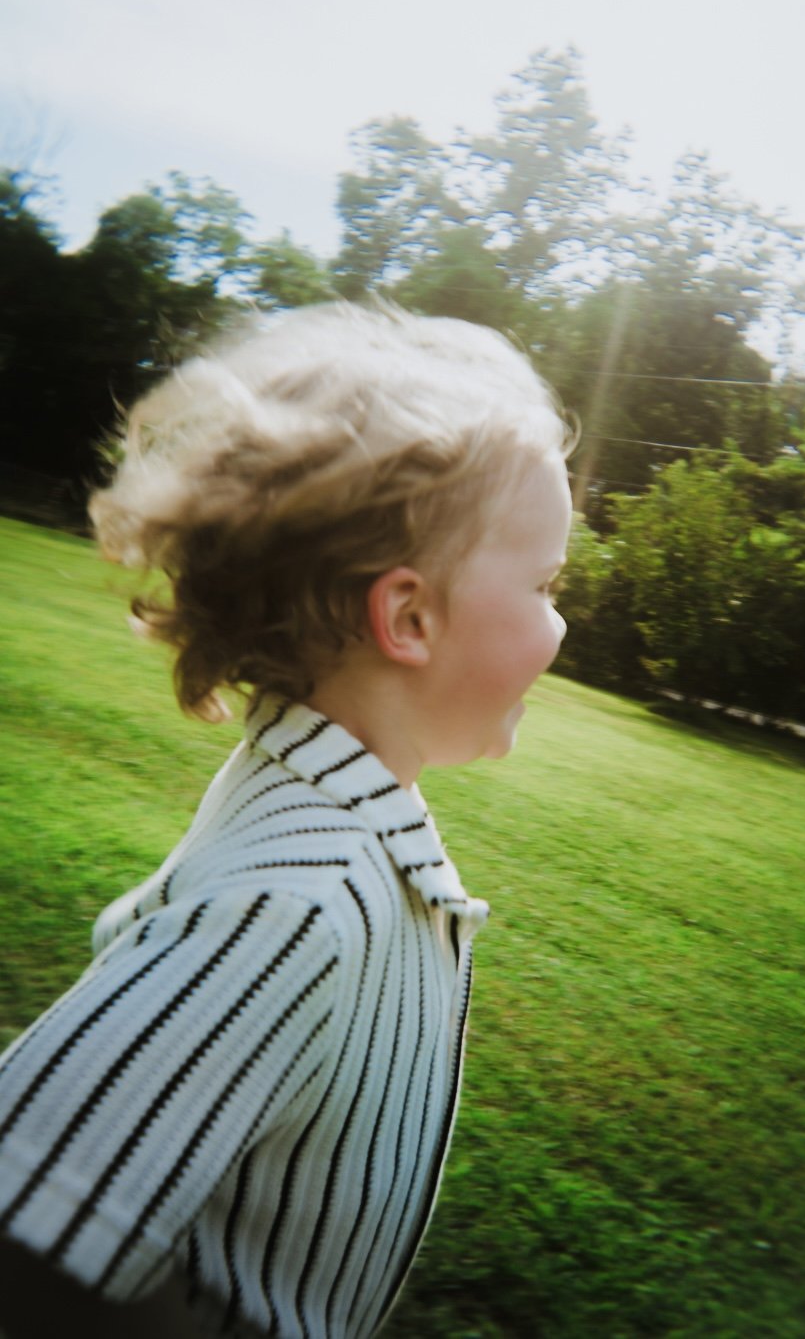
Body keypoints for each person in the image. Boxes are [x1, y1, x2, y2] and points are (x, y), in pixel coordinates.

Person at [0, 303, 574, 1338]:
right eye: (546, 584)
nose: (562, 622)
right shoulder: (298, 904)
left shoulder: (347, 815)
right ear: (408, 618)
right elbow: (26, 1224)